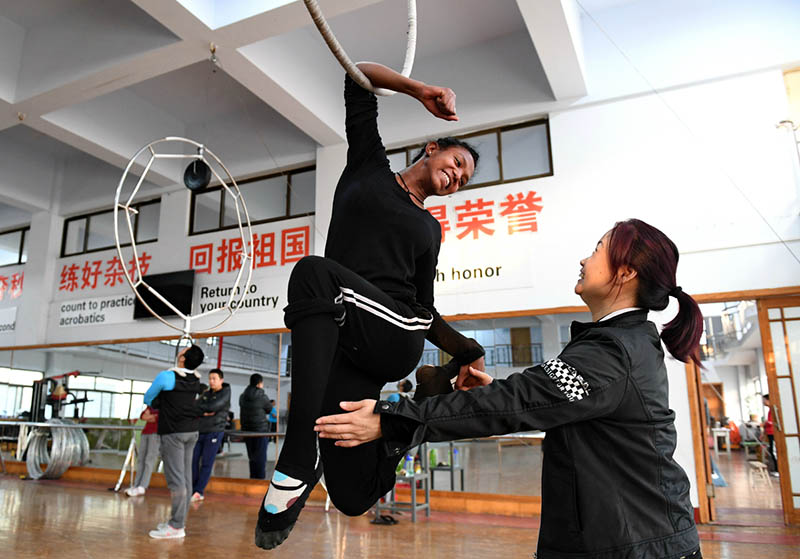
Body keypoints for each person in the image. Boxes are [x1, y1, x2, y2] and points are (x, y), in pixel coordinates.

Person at [316, 219, 705, 559]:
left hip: (637, 547)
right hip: (633, 541)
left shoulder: (613, 353)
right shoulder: (622, 344)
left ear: (626, 273)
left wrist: (393, 420)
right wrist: (497, 390)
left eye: (597, 249)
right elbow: (535, 398)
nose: (585, 260)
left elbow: (518, 403)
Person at [254, 61, 485, 550]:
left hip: (395, 333)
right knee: (352, 493)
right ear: (433, 147)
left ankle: (296, 460)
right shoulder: (369, 167)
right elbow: (357, 75)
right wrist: (420, 89)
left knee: (313, 272)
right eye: (457, 164)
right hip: (346, 332)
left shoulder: (430, 229)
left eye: (463, 181)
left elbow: (425, 307)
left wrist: (463, 348)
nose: (456, 178)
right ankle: (411, 413)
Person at [142, 344, 205, 540]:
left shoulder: (166, 376)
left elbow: (148, 397)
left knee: (177, 481)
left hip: (173, 434)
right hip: (191, 432)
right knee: (186, 478)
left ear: (183, 358)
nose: (181, 350)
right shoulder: (197, 378)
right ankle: (178, 523)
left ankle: (176, 526)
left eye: (184, 350)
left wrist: (159, 400)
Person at [191, 368, 231, 501]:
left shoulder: (225, 393)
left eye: (214, 379)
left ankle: (199, 491)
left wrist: (205, 409)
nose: (211, 381)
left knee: (207, 462)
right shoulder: (207, 393)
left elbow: (213, 407)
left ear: (221, 380)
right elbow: (195, 407)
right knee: (193, 460)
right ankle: (193, 488)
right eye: (210, 379)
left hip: (214, 431)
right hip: (200, 430)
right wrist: (204, 412)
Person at [240, 373, 273, 480]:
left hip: (246, 430)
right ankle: (260, 480)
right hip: (260, 430)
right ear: (259, 384)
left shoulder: (243, 396)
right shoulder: (262, 397)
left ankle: (253, 478)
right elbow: (269, 409)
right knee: (261, 456)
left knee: (252, 456)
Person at [124, 405, 159, 497]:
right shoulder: (152, 405)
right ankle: (136, 484)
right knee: (141, 459)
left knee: (149, 460)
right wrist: (151, 416)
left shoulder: (165, 405)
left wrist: (150, 416)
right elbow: (143, 416)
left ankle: (143, 486)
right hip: (146, 432)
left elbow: (157, 418)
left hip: (156, 433)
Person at [762, 394, 777, 473]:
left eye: (764, 400)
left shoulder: (773, 410)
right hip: (770, 433)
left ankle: (778, 470)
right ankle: (776, 469)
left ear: (769, 400)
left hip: (773, 433)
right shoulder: (770, 410)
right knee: (771, 450)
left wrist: (766, 423)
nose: (763, 402)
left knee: (774, 451)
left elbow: (773, 422)